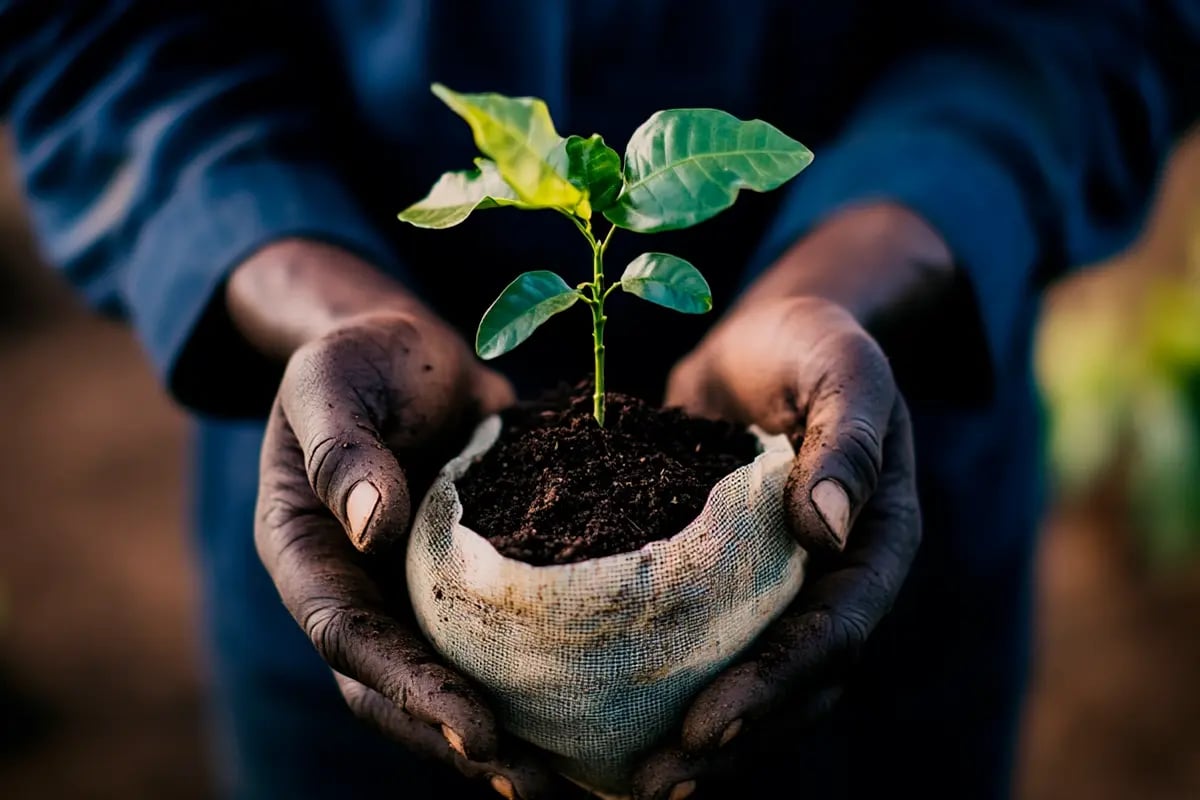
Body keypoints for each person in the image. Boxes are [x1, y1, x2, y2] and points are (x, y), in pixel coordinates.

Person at [2, 2, 1197, 798]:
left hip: (878, 538)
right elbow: (94, 26)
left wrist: (854, 264)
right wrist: (314, 298)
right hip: (352, 559)